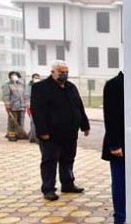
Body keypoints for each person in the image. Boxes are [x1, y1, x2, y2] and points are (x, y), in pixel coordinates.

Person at [31, 61, 90, 201]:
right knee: (49, 161)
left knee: (68, 159)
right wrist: (42, 131)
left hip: (70, 133)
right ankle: (48, 189)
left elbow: (79, 107)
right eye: (61, 72)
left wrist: (84, 125)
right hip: (51, 135)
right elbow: (37, 111)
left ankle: (68, 184)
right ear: (53, 72)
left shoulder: (71, 87)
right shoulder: (41, 87)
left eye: (66, 72)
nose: (64, 75)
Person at [102, 71, 127, 224]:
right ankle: (120, 217)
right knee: (120, 182)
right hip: (119, 145)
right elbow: (110, 117)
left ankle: (130, 214)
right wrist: (115, 145)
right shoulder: (114, 85)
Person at [2, 71, 27, 142]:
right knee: (12, 121)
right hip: (13, 106)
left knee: (19, 122)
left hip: (21, 106)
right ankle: (11, 136)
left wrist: (25, 104)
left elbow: (24, 95)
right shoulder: (7, 85)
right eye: (12, 75)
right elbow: (6, 96)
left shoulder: (21, 84)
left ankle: (18, 134)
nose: (14, 76)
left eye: (15, 75)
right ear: (10, 77)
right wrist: (8, 106)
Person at [25, 73, 41, 143]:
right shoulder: (29, 87)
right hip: (32, 107)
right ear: (32, 78)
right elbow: (27, 96)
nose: (36, 79)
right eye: (35, 77)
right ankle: (35, 138)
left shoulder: (41, 86)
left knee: (36, 122)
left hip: (40, 107)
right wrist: (28, 106)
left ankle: (32, 137)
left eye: (38, 78)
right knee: (34, 122)